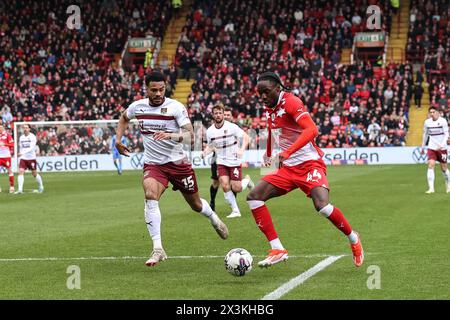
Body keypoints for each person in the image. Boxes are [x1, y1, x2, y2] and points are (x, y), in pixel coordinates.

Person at [246, 72, 364, 268]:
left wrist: (288, 152)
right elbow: (271, 131)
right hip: (286, 168)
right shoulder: (270, 108)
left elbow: (312, 130)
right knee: (254, 197)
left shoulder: (291, 102)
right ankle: (277, 249)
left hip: (309, 164)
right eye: (260, 93)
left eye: (266, 92)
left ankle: (353, 238)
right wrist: (268, 155)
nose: (262, 97)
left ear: (278, 88)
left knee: (323, 206)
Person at [114, 70, 229, 267]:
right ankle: (158, 248)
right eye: (154, 90)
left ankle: (213, 218)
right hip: (154, 164)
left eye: (161, 89)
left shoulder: (175, 107)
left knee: (196, 205)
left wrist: (170, 136)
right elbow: (124, 118)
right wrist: (117, 140)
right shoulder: (138, 107)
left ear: (165, 88)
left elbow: (190, 136)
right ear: (146, 89)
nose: (158, 93)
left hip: (178, 165)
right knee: (150, 195)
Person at [203, 104, 250, 218]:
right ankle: (235, 210)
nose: (218, 115)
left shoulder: (232, 127)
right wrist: (204, 152)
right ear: (213, 115)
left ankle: (247, 181)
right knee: (224, 185)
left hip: (234, 161)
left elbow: (247, 137)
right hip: (221, 161)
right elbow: (211, 146)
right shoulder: (209, 131)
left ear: (223, 115)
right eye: (216, 113)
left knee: (236, 188)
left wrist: (242, 149)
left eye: (220, 113)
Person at [421, 106, 449, 194]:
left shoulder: (443, 121)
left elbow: (446, 134)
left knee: (444, 168)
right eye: (430, 112)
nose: (432, 114)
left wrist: (442, 145)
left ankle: (448, 183)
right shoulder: (427, 122)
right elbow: (425, 134)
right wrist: (422, 146)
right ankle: (431, 188)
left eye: (433, 112)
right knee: (431, 165)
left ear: (437, 112)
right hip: (431, 147)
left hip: (442, 148)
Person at [16, 124, 44, 194]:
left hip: (31, 158)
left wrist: (22, 152)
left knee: (34, 174)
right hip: (23, 158)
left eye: (26, 128)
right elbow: (21, 147)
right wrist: (21, 154)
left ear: (29, 129)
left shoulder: (32, 137)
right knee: (20, 172)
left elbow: (31, 148)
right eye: (24, 128)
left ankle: (41, 186)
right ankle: (20, 190)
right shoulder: (21, 137)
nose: (25, 129)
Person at [0, 123, 15, 193]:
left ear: (3, 128)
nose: (0, 129)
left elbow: (12, 144)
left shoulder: (7, 135)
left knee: (9, 170)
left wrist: (4, 144)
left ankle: (12, 187)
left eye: (1, 127)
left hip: (6, 156)